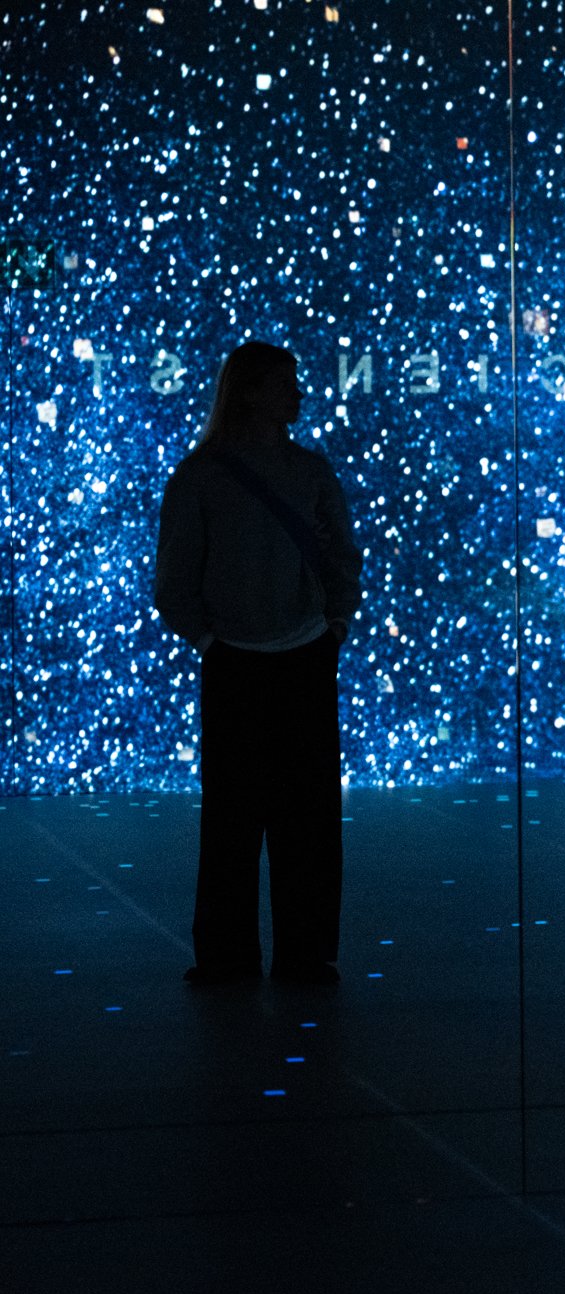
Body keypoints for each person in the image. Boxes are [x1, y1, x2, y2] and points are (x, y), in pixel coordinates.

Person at [154, 342, 363, 985]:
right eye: (285, 383)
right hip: (265, 658)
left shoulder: (210, 475)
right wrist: (326, 626)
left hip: (275, 657)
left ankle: (235, 957)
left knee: (247, 817)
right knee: (274, 817)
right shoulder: (222, 475)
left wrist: (329, 626)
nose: (298, 394)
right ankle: (294, 955)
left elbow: (343, 557)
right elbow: (175, 583)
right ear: (250, 392)